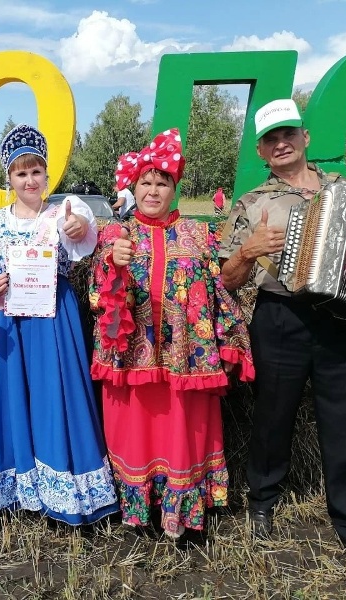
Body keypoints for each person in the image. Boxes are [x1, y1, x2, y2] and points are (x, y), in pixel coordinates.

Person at [219, 98, 346, 577]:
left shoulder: (345, 191)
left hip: (340, 322)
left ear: (305, 138)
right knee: (272, 418)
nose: (282, 142)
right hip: (280, 318)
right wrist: (248, 252)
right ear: (262, 149)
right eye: (271, 138)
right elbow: (227, 280)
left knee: (344, 427)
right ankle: (263, 505)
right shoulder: (252, 202)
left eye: (288, 132)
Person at [89, 129, 254, 539]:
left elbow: (218, 291)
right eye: (145, 182)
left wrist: (233, 341)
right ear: (134, 186)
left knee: (180, 430)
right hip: (132, 357)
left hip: (187, 358)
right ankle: (136, 506)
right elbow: (97, 294)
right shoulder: (116, 234)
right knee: (136, 428)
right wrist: (112, 263)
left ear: (174, 189)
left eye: (162, 183)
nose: (153, 190)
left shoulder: (199, 235)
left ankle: (178, 509)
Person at [0, 124, 119, 525]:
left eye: (35, 171)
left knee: (56, 393)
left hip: (54, 316)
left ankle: (66, 486)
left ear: (46, 174)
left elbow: (82, 235)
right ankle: (20, 486)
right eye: (21, 173)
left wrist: (79, 227)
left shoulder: (62, 214)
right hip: (11, 320)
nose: (29, 180)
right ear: (8, 177)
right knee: (15, 395)